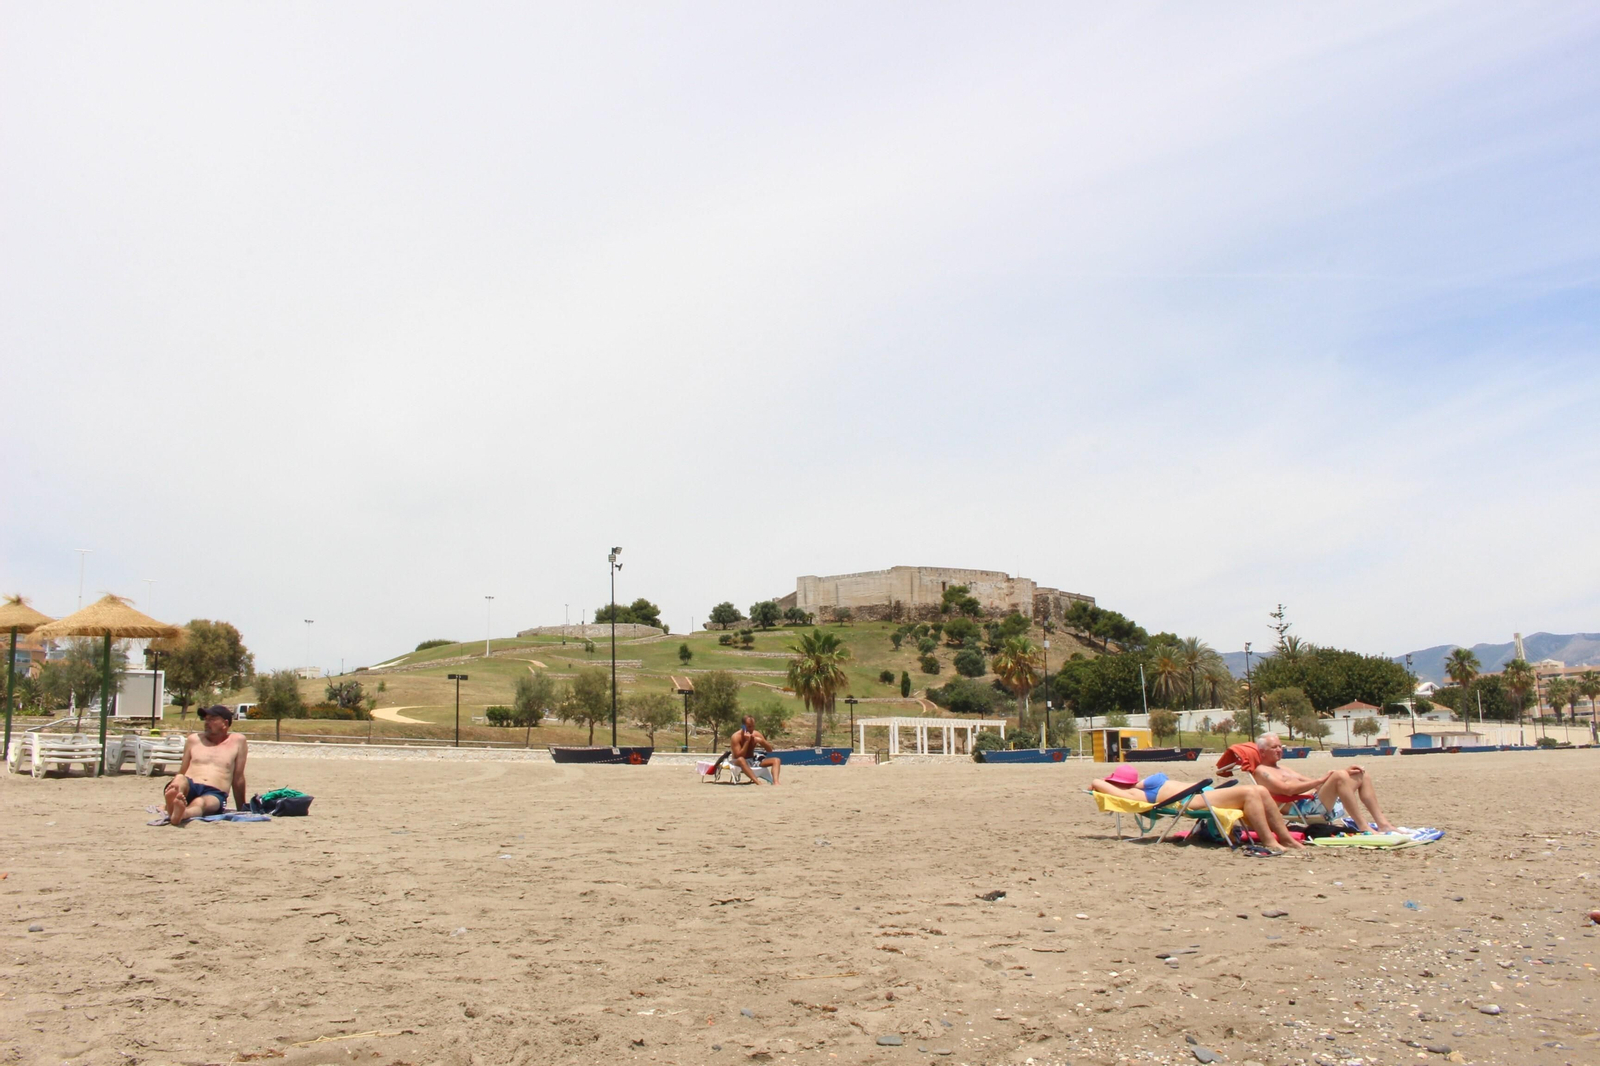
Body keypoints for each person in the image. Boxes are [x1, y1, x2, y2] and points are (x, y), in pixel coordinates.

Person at [1091, 763, 1304, 853]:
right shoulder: (1134, 793)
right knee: (1250, 792)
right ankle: (1269, 841)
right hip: (1191, 801)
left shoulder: (1138, 785)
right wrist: (1105, 783)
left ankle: (1285, 838)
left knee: (1261, 791)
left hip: (1202, 793)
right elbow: (1096, 782)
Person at [1249, 732, 1397, 833]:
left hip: (1315, 801)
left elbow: (1313, 783)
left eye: (1280, 747)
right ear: (1262, 752)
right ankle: (1363, 826)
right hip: (1302, 808)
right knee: (1339, 775)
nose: (1279, 750)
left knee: (1361, 774)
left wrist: (1345, 773)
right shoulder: (1262, 772)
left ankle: (1383, 824)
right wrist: (1323, 780)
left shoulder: (1283, 768)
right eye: (1274, 747)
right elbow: (1287, 790)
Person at [162, 705, 249, 826]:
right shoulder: (194, 739)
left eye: (212, 719)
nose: (207, 722)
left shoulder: (238, 741)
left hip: (215, 792)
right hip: (190, 785)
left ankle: (181, 814)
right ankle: (173, 802)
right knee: (179, 779)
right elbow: (182, 770)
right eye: (206, 719)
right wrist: (176, 783)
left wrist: (242, 807)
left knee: (201, 803)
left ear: (225, 723)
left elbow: (238, 777)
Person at [729, 715, 781, 785]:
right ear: (743, 726)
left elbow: (769, 750)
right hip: (738, 762)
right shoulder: (736, 737)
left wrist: (762, 742)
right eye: (749, 727)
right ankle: (758, 782)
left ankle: (776, 782)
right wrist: (747, 742)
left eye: (753, 726)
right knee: (741, 759)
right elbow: (739, 756)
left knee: (776, 760)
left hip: (752, 760)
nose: (751, 729)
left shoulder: (756, 734)